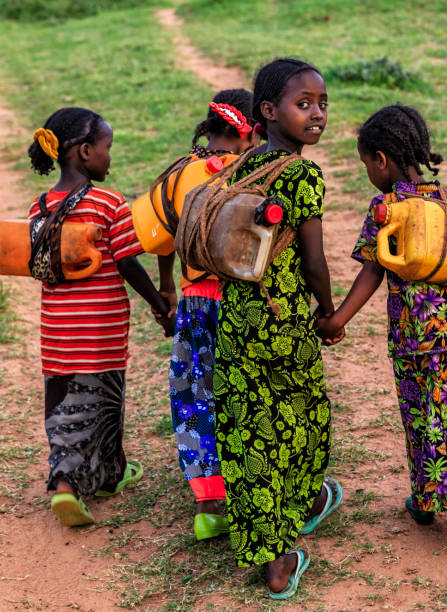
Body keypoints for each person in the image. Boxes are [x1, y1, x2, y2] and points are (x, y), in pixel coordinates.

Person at [317, 105, 447, 539]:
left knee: (425, 415)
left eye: (366, 164)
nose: (368, 172)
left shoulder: (388, 209)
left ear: (381, 160)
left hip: (418, 339)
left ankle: (425, 502)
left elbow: (372, 270)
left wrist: (335, 321)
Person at [212, 58, 343, 599]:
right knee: (301, 417)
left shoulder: (243, 166)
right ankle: (304, 505)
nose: (317, 114)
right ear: (267, 111)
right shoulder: (301, 173)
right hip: (284, 320)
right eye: (303, 104)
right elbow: (313, 262)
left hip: (237, 319)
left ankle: (274, 556)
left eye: (322, 104)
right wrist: (329, 313)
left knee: (249, 431)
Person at [27, 107, 174, 526]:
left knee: (64, 408)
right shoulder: (108, 203)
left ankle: (84, 474)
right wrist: (160, 304)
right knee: (104, 404)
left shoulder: (39, 206)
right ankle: (70, 485)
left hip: (58, 333)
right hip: (99, 332)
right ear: (86, 151)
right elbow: (128, 263)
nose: (111, 158)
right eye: (108, 149)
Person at [154, 89, 259, 540]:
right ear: (248, 130)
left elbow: (162, 237)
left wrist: (165, 287)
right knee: (244, 393)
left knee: (196, 396)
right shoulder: (252, 170)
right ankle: (252, 489)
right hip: (238, 300)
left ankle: (209, 504)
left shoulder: (180, 173)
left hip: (195, 300)